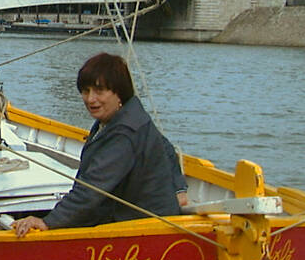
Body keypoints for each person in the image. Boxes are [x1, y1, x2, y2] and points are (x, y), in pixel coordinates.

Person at [12, 53, 185, 237]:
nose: (90, 99)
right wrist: (180, 188)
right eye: (85, 91)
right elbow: (167, 148)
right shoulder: (130, 116)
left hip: (143, 229)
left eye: (99, 91)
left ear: (119, 92)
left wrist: (48, 222)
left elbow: (92, 188)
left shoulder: (125, 132)